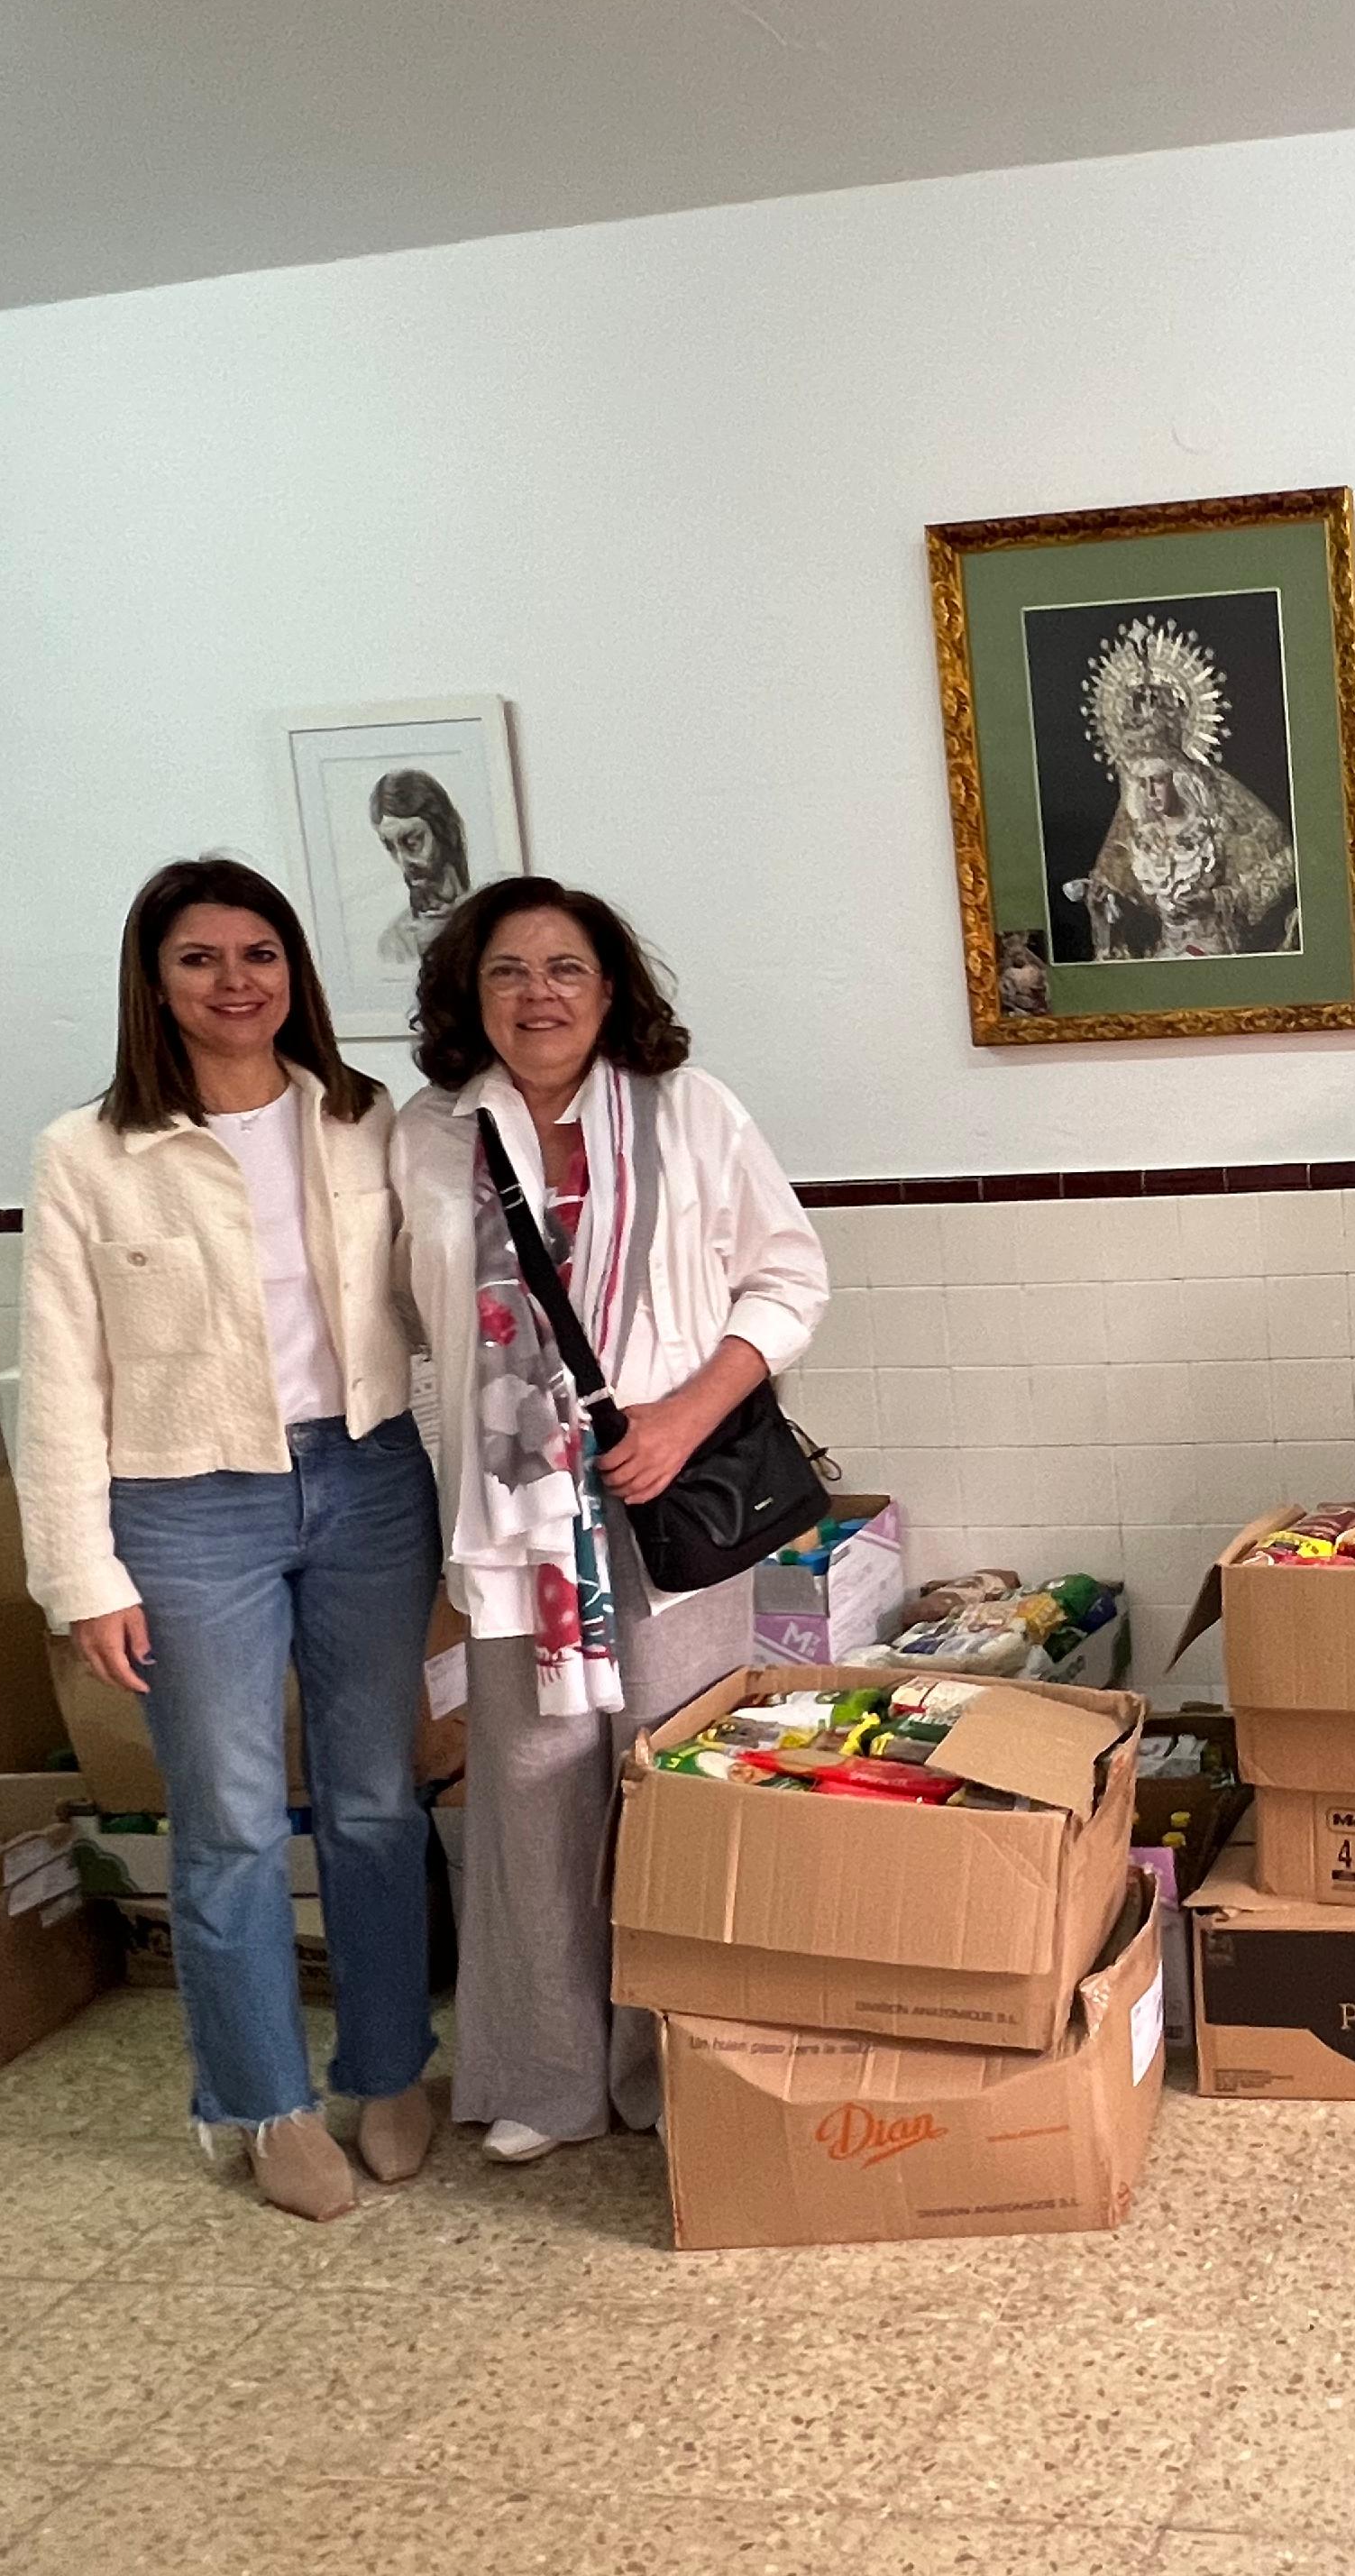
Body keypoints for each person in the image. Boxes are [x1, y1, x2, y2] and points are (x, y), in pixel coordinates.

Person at [16, 858, 442, 2223]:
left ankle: (388, 2068)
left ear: (295, 971)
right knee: (233, 1824)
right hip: (187, 1503)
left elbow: (446, 1299)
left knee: (376, 1801)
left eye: (260, 954)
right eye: (201, 959)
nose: (235, 982)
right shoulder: (86, 1153)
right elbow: (61, 1373)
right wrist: (81, 1575)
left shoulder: (371, 1120)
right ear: (155, 981)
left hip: (368, 1480)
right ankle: (261, 2106)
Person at [394, 877, 829, 2162]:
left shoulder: (690, 1111)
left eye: (566, 969)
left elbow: (791, 1276)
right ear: (470, 998)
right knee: (531, 1801)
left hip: (670, 1504)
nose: (540, 995)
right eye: (510, 972)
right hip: (516, 1525)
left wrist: (687, 1414)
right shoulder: (425, 1134)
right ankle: (549, 2078)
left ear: (611, 988)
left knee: (677, 1781)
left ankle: (675, 2064)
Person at [368, 769, 472, 967]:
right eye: (391, 847)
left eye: (413, 842)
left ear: (445, 831)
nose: (403, 861)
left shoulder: (491, 914)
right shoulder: (397, 942)